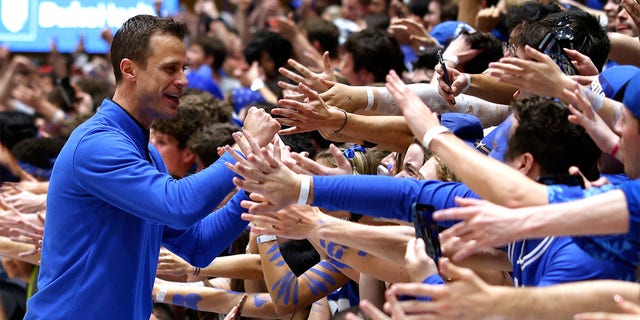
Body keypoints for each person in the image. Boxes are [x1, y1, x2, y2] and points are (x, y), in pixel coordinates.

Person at [24, 15, 280, 319]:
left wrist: (253, 187)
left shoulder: (145, 151)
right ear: (129, 69)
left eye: (183, 69)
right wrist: (246, 144)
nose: (183, 80)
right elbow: (179, 205)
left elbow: (197, 244)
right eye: (170, 68)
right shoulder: (98, 144)